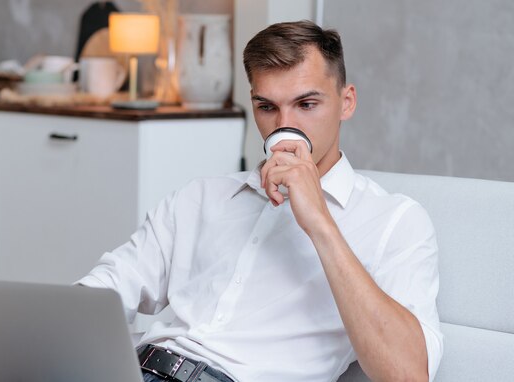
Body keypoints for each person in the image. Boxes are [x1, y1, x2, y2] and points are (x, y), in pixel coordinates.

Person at [78, 20, 442, 382]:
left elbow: (408, 374)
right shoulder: (200, 197)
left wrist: (320, 222)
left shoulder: (395, 220)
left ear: (346, 102)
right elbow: (104, 291)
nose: (285, 127)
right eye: (267, 107)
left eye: (306, 104)